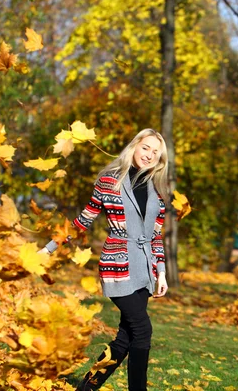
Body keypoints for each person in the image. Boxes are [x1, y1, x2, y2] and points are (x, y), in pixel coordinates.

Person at [38, 128, 170, 391]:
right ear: (135, 146)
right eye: (146, 148)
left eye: (156, 152)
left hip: (145, 270)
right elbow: (83, 221)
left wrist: (162, 272)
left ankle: (86, 388)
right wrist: (49, 248)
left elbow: (156, 237)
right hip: (118, 265)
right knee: (142, 331)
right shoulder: (109, 182)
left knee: (126, 337)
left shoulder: (158, 190)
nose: (150, 155)